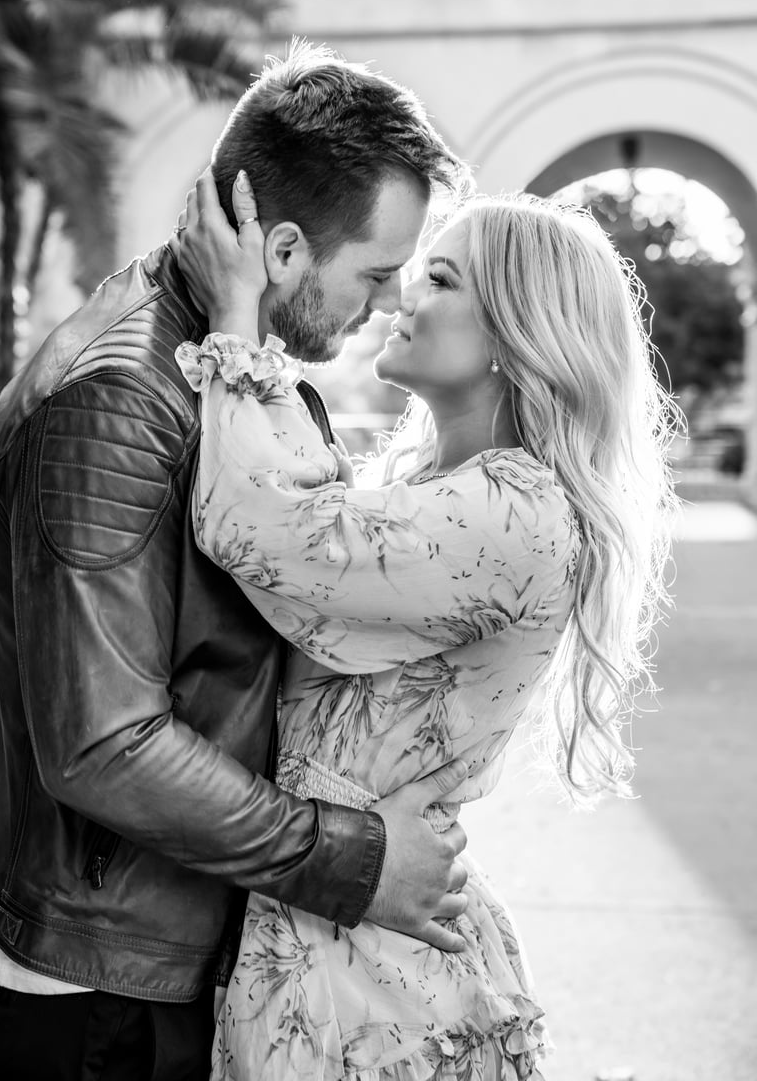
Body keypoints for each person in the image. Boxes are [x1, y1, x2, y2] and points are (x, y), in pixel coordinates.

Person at [0, 44, 473, 1081]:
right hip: (92, 988)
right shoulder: (117, 402)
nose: (386, 303)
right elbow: (103, 746)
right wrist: (355, 861)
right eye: (375, 274)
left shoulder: (232, 369)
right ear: (281, 249)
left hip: (158, 957)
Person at [173, 170, 679, 1081]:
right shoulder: (438, 491)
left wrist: (236, 314)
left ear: (517, 334)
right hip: (342, 919)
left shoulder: (515, 511)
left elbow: (256, 527)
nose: (404, 296)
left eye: (441, 279)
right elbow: (294, 515)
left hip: (374, 970)